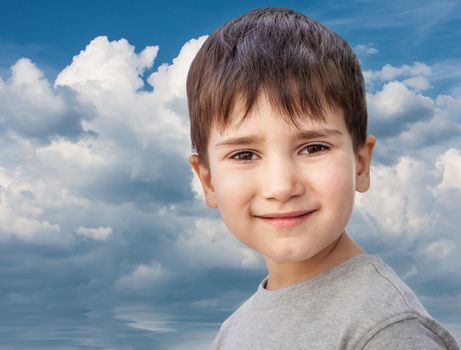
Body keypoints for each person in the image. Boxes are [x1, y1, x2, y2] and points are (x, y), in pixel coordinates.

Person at [186, 7, 460, 350]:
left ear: (360, 164)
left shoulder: (386, 332)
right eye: (244, 155)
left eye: (313, 148)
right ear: (208, 181)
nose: (281, 186)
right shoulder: (233, 329)